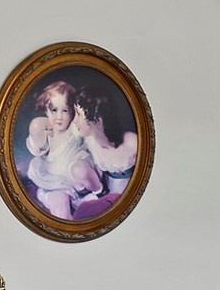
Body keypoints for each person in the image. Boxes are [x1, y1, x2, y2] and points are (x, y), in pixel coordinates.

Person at [23, 78, 104, 218]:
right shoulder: (47, 130)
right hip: (55, 182)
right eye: (54, 110)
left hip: (77, 181)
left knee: (81, 170)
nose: (59, 117)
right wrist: (40, 126)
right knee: (60, 207)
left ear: (73, 111)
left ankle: (100, 192)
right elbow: (37, 147)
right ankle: (65, 227)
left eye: (65, 110)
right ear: (46, 110)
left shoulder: (74, 128)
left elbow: (90, 128)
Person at [75, 86, 140, 202]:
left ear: (97, 120)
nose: (74, 120)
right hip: (107, 200)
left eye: (78, 114)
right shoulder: (89, 143)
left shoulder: (133, 142)